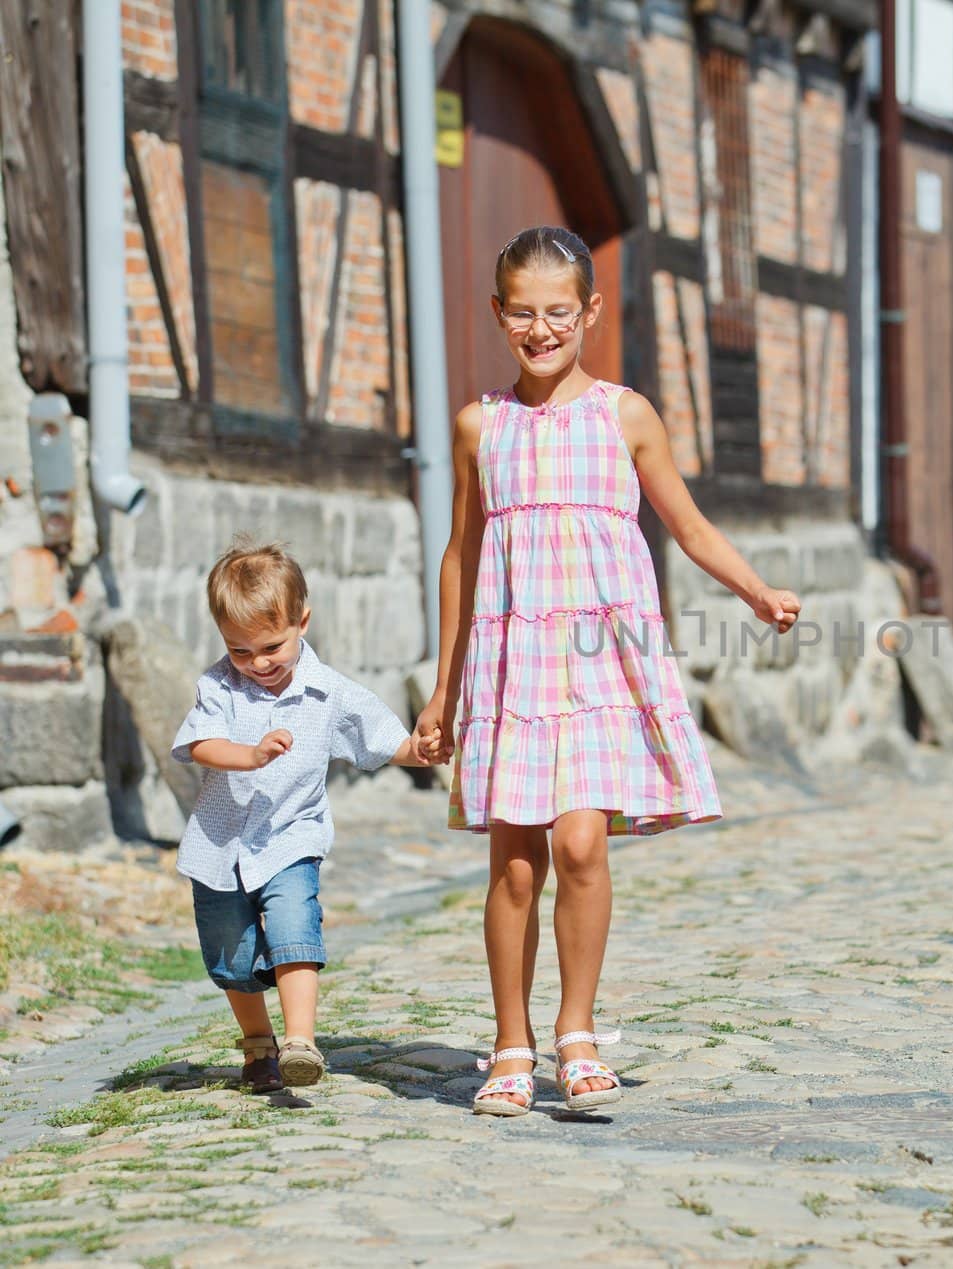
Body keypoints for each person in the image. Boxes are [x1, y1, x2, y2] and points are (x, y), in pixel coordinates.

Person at [413, 225, 800, 1116]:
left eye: (559, 311)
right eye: (523, 312)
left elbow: (690, 526)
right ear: (498, 313)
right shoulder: (482, 426)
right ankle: (511, 1039)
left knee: (582, 843)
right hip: (512, 668)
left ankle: (575, 1031)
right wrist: (445, 688)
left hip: (599, 665)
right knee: (515, 867)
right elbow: (460, 559)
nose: (541, 329)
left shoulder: (624, 415)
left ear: (589, 311)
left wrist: (754, 590)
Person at [173, 542, 436, 1093]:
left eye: (271, 646)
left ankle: (300, 1043)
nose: (258, 663)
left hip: (292, 837)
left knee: (295, 929)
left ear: (302, 621)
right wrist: (248, 754)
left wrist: (422, 750)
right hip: (219, 847)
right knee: (233, 955)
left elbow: (384, 741)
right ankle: (258, 1045)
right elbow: (201, 744)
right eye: (240, 651)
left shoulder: (330, 692)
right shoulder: (217, 686)